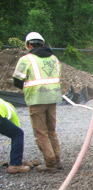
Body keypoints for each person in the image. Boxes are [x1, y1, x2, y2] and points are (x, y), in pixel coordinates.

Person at [12, 32, 63, 172]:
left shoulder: (26, 59)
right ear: (42, 43)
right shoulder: (54, 58)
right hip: (52, 98)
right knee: (51, 131)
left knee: (41, 133)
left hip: (36, 100)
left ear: (29, 45)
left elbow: (17, 81)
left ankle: (50, 163)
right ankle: (57, 159)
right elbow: (57, 77)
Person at [0, 98, 30, 174]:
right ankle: (15, 165)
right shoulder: (12, 111)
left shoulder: (3, 103)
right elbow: (17, 134)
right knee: (18, 134)